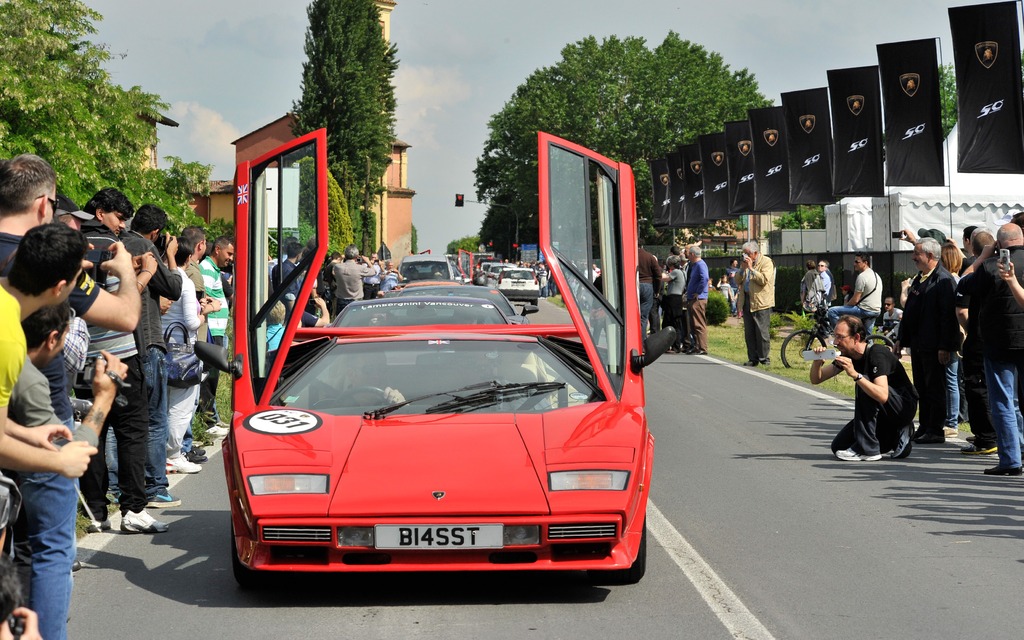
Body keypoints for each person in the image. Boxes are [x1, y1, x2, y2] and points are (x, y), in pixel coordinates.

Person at [7, 304, 126, 640]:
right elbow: (71, 455)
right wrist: (104, 398)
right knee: (53, 551)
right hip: (35, 465)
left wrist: (22, 433)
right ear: (52, 339)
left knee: (20, 548)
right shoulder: (30, 380)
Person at [80, 189, 170, 533]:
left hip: (84, 359)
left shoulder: (70, 245)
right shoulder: (113, 246)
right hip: (120, 355)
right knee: (132, 431)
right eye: (119, 217)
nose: (122, 225)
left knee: (94, 432)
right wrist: (144, 271)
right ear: (101, 212)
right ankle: (133, 509)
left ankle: (96, 512)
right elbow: (125, 304)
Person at [126, 204, 183, 508]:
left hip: (122, 342)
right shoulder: (145, 247)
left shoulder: (118, 242)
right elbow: (173, 288)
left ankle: (118, 485)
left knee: (124, 420)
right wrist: (170, 256)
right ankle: (155, 485)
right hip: (148, 341)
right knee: (155, 418)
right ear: (157, 232)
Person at [957, 223, 1024, 474]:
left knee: (1003, 401)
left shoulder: (989, 267)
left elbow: (962, 284)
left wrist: (982, 257)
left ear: (998, 244)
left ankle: (1011, 459)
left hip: (998, 341)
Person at [810, 315, 917, 461]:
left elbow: (882, 395)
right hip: (882, 412)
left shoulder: (877, 353)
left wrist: (855, 375)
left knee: (863, 381)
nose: (835, 342)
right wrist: (817, 363)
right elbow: (817, 379)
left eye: (840, 337)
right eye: (835, 337)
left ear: (856, 337)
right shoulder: (848, 354)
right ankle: (897, 435)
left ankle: (868, 450)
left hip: (902, 406)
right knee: (839, 446)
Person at [897, 236, 959, 446]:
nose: (913, 257)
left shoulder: (943, 280)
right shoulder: (920, 278)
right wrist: (901, 339)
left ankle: (935, 429)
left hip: (934, 345)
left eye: (917, 253)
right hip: (919, 343)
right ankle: (925, 425)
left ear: (930, 255)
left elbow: (948, 316)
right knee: (921, 387)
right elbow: (910, 311)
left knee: (935, 388)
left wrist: (945, 346)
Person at [161, 238, 204, 475]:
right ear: (188, 258)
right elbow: (190, 322)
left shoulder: (160, 276)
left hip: (162, 346)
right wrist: (205, 314)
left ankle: (162, 454)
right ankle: (173, 455)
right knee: (181, 406)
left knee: (163, 404)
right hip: (183, 352)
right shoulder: (184, 283)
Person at [954, 228, 998, 456]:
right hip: (998, 336)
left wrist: (971, 330)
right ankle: (994, 433)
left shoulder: (979, 269)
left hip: (980, 336)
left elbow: (962, 305)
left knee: (977, 387)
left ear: (971, 245)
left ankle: (986, 437)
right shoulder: (1002, 267)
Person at [199, 236, 234, 438]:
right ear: (217, 249)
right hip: (211, 329)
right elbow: (204, 298)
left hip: (217, 329)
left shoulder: (213, 270)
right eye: (229, 253)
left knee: (213, 376)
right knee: (209, 377)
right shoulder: (206, 269)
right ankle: (207, 421)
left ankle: (211, 417)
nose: (230, 258)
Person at [939, 241, 965, 439]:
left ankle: (951, 421)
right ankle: (951, 418)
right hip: (957, 335)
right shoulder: (957, 279)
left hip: (953, 337)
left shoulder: (949, 281)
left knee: (951, 379)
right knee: (952, 379)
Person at [736, 241, 775, 366]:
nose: (745, 256)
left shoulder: (766, 262)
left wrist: (751, 269)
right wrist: (742, 269)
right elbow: (737, 280)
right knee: (749, 333)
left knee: (761, 332)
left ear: (755, 253)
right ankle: (753, 358)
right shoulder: (745, 264)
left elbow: (763, 280)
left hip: (761, 302)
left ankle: (764, 358)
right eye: (744, 254)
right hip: (747, 300)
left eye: (747, 254)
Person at [826, 253, 882, 332]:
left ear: (865, 263)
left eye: (857, 262)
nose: (854, 264)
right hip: (876, 310)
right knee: (867, 336)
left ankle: (840, 334)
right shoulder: (876, 275)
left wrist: (845, 308)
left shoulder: (862, 276)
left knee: (832, 311)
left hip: (864, 310)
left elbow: (855, 300)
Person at [331, 244, 376, 315]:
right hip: (356, 300)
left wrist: (343, 259)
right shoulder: (360, 268)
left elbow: (334, 272)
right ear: (357, 256)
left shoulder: (337, 267)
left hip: (341, 299)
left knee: (342, 320)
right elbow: (374, 272)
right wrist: (368, 262)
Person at [684, 246, 709, 355]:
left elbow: (705, 278)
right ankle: (696, 345)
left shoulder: (701, 264)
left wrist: (698, 292)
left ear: (693, 254)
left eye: (689, 254)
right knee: (693, 324)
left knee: (698, 323)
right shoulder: (695, 265)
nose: (688, 256)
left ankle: (702, 347)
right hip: (692, 298)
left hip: (698, 299)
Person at [660, 256, 685, 353]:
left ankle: (674, 346)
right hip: (678, 298)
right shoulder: (682, 272)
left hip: (673, 299)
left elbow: (664, 278)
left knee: (670, 322)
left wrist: (661, 271)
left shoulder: (676, 272)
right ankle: (675, 345)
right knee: (675, 322)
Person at [637, 242, 662, 336]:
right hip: (647, 285)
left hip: (633, 285)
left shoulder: (630, 256)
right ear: (642, 245)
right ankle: (642, 340)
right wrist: (657, 290)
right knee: (643, 317)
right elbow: (658, 275)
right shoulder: (649, 257)